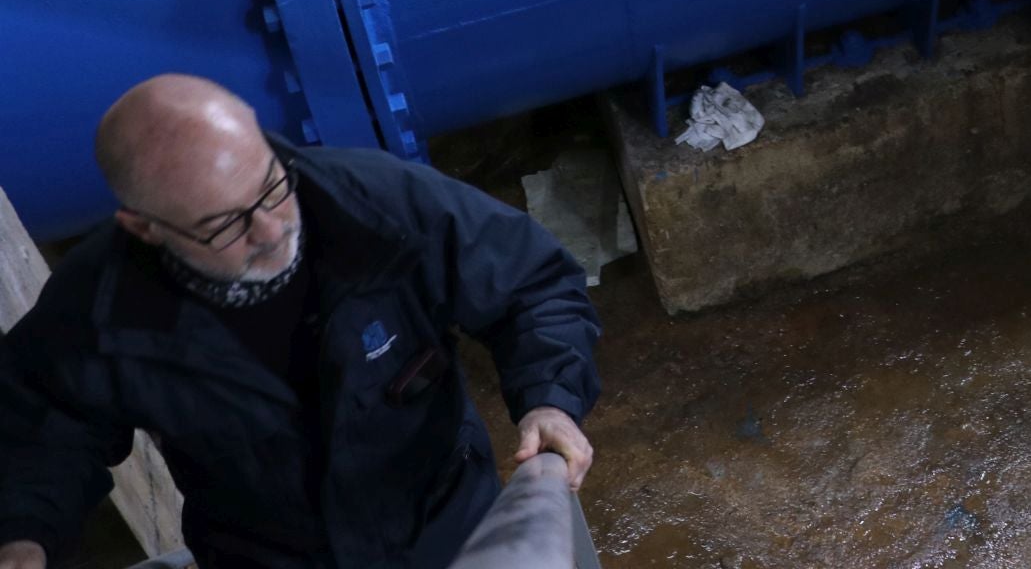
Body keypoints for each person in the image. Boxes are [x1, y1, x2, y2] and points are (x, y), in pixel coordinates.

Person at [0, 74, 601, 569]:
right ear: (146, 228)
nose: (271, 231)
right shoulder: (102, 309)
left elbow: (533, 285)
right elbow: (42, 426)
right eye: (224, 226)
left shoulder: (380, 205)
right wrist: (23, 535)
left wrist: (550, 398)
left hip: (444, 528)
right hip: (264, 557)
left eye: (271, 188)